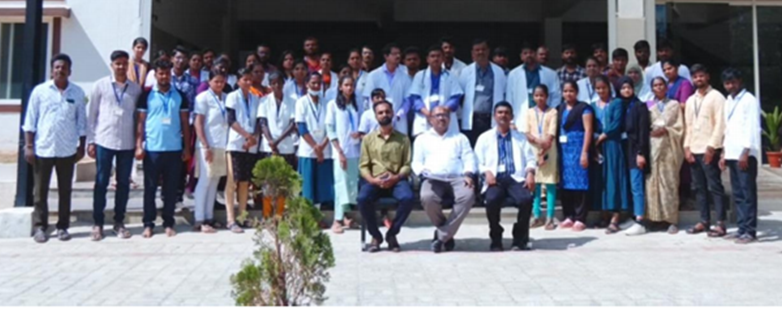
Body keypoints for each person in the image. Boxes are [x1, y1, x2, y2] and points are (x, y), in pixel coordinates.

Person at [23, 54, 86, 243]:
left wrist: (81, 147)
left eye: (64, 67)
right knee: (40, 191)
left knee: (65, 190)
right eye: (57, 67)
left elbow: (81, 122)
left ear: (70, 71)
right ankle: (40, 227)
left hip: (67, 150)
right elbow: (30, 120)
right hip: (44, 149)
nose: (60, 70)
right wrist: (28, 146)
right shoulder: (40, 92)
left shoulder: (77, 93)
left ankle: (62, 226)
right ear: (52, 70)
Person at [87, 50, 143, 241]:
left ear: (128, 65)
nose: (121, 67)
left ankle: (119, 222)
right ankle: (98, 223)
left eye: (124, 63)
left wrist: (138, 143)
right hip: (104, 140)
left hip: (126, 143)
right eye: (117, 63)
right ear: (112, 65)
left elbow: (138, 118)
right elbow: (92, 114)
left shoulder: (135, 89)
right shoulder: (100, 86)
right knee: (101, 182)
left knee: (123, 184)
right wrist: (91, 141)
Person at [136, 59, 191, 238]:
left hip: (174, 149)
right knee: (150, 189)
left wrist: (187, 148)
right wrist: (139, 145)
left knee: (170, 189)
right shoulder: (147, 96)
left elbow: (185, 123)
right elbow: (141, 122)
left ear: (171, 75)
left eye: (167, 73)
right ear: (156, 74)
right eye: (161, 73)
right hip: (152, 149)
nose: (164, 76)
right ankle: (148, 223)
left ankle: (168, 222)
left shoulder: (180, 96)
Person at [412, 106, 476, 253]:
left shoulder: (460, 138)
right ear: (430, 119)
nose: (441, 118)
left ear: (450, 118)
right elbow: (416, 162)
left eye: (445, 115)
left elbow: (469, 158)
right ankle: (448, 233)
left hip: (457, 177)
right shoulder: (422, 139)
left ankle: (441, 236)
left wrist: (468, 174)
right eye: (437, 115)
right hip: (432, 178)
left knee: (468, 195)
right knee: (427, 197)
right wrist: (422, 172)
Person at [475, 102, 536, 251]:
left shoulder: (520, 137)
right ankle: (496, 237)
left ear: (512, 116)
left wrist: (530, 173)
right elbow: (476, 160)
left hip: (515, 177)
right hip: (495, 179)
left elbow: (530, 158)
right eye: (500, 112)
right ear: (495, 116)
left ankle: (519, 237)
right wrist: (486, 172)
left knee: (526, 199)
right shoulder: (485, 137)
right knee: (492, 199)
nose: (503, 115)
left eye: (507, 113)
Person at [358, 100, 414, 253]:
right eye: (380, 112)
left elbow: (407, 164)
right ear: (376, 116)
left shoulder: (403, 139)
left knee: (408, 198)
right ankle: (376, 236)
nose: (384, 115)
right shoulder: (368, 139)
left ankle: (392, 234)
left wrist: (395, 177)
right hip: (375, 181)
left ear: (393, 113)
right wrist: (372, 180)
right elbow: (363, 165)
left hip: (396, 180)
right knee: (362, 199)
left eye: (387, 112)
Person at [684, 64, 727, 236]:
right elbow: (688, 126)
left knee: (714, 186)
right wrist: (686, 148)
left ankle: (721, 223)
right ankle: (704, 221)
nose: (698, 79)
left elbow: (720, 125)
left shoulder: (717, 97)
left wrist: (712, 147)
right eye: (695, 77)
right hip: (694, 149)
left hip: (710, 149)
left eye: (701, 76)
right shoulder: (690, 100)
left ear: (707, 77)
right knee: (699, 188)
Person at [720, 68, 761, 244]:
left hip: (745, 154)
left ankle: (750, 231)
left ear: (740, 81)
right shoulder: (729, 100)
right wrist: (723, 152)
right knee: (737, 193)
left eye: (733, 82)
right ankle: (741, 228)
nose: (731, 86)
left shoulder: (749, 100)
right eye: (727, 83)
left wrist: (746, 151)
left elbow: (753, 126)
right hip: (731, 152)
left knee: (747, 193)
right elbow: (727, 129)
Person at [645, 76, 684, 234]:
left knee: (669, 183)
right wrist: (650, 132)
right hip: (652, 148)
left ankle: (671, 220)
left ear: (666, 87)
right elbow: (643, 125)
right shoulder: (648, 105)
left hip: (669, 148)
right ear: (652, 88)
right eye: (655, 85)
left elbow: (680, 127)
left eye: (661, 85)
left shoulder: (674, 105)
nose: (659, 87)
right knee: (652, 184)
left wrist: (667, 130)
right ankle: (655, 218)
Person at [225, 68, 261, 233]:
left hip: (250, 145)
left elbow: (258, 122)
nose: (248, 82)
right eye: (244, 79)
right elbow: (231, 120)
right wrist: (246, 136)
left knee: (245, 182)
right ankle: (230, 219)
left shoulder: (255, 98)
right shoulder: (232, 97)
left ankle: (242, 216)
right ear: (238, 81)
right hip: (236, 144)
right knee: (233, 182)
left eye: (249, 79)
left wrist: (252, 137)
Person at [193, 70, 229, 234]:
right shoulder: (203, 98)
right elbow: (198, 123)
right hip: (207, 145)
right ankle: (199, 219)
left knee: (215, 180)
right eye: (216, 81)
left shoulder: (226, 97)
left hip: (221, 144)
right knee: (205, 180)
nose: (219, 84)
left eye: (222, 81)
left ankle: (209, 217)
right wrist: (205, 145)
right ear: (209, 81)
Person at [325, 75, 362, 233]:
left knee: (351, 185)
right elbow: (330, 128)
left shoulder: (355, 105)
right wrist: (339, 151)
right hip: (341, 151)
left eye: (351, 85)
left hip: (355, 150)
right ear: (340, 87)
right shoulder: (333, 105)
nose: (349, 88)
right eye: (346, 85)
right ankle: (337, 220)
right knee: (341, 184)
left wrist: (359, 134)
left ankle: (347, 216)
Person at [556, 81, 594, 232]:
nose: (568, 94)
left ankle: (580, 217)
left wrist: (585, 152)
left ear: (577, 92)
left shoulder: (584, 108)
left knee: (580, 183)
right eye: (565, 91)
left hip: (578, 148)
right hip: (564, 150)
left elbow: (588, 130)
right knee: (565, 184)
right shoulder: (560, 108)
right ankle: (569, 215)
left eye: (571, 91)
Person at [522, 85, 559, 230]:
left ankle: (550, 217)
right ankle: (536, 215)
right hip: (533, 149)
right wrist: (538, 142)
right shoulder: (529, 112)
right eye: (536, 96)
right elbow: (527, 132)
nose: (539, 98)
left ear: (547, 96)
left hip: (550, 148)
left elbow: (552, 132)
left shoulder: (553, 112)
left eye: (542, 95)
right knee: (535, 183)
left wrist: (545, 144)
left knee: (550, 182)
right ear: (533, 97)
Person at [459, 39, 507, 147]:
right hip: (473, 119)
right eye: (477, 50)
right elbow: (461, 95)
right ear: (472, 53)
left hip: (490, 118)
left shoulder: (498, 71)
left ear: (488, 51)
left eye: (483, 49)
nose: (480, 52)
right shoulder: (466, 71)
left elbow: (504, 94)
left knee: (490, 149)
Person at [296, 72, 334, 208]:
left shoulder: (327, 103)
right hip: (308, 150)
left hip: (325, 149)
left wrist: (322, 146)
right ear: (307, 84)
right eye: (313, 83)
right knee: (308, 187)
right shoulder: (301, 102)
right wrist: (316, 147)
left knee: (323, 187)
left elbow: (331, 127)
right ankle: (308, 217)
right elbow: (301, 128)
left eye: (319, 83)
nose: (317, 86)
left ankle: (321, 216)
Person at [410, 45, 463, 137]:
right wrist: (427, 113)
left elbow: (456, 97)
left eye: (438, 56)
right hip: (425, 117)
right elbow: (415, 98)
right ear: (427, 59)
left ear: (443, 58)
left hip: (445, 117)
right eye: (432, 56)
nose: (435, 59)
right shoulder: (420, 76)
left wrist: (442, 111)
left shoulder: (450, 76)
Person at [620, 77, 651, 236]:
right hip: (623, 149)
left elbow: (643, 132)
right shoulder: (619, 105)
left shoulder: (640, 106)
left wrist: (641, 153)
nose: (626, 91)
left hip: (635, 150)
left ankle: (640, 220)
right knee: (628, 186)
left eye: (628, 87)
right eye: (623, 88)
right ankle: (632, 216)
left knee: (636, 185)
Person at [507, 42, 561, 130]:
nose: (528, 55)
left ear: (536, 54)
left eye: (531, 52)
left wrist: (550, 114)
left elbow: (556, 97)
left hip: (544, 116)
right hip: (520, 117)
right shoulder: (513, 74)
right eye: (525, 53)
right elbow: (509, 98)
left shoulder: (550, 74)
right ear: (521, 56)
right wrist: (511, 121)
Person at [362, 43, 412, 135]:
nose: (398, 56)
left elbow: (407, 100)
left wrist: (398, 115)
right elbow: (368, 99)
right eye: (394, 54)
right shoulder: (373, 75)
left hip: (398, 119)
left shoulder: (405, 76)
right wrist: (378, 114)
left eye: (399, 53)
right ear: (386, 56)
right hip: (379, 119)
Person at [590, 75, 617, 227]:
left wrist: (602, 137)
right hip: (598, 147)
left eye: (604, 88)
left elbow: (617, 124)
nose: (601, 91)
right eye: (598, 88)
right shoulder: (593, 106)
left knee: (613, 179)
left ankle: (615, 214)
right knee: (601, 180)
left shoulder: (615, 103)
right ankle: (603, 215)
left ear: (609, 87)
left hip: (612, 144)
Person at [258, 72, 297, 168]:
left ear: (284, 83)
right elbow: (263, 123)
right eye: (274, 83)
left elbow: (292, 124)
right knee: (268, 179)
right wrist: (271, 141)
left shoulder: (292, 101)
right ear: (270, 85)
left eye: (279, 82)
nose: (277, 85)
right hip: (268, 146)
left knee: (286, 179)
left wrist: (277, 142)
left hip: (286, 146)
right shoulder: (264, 101)